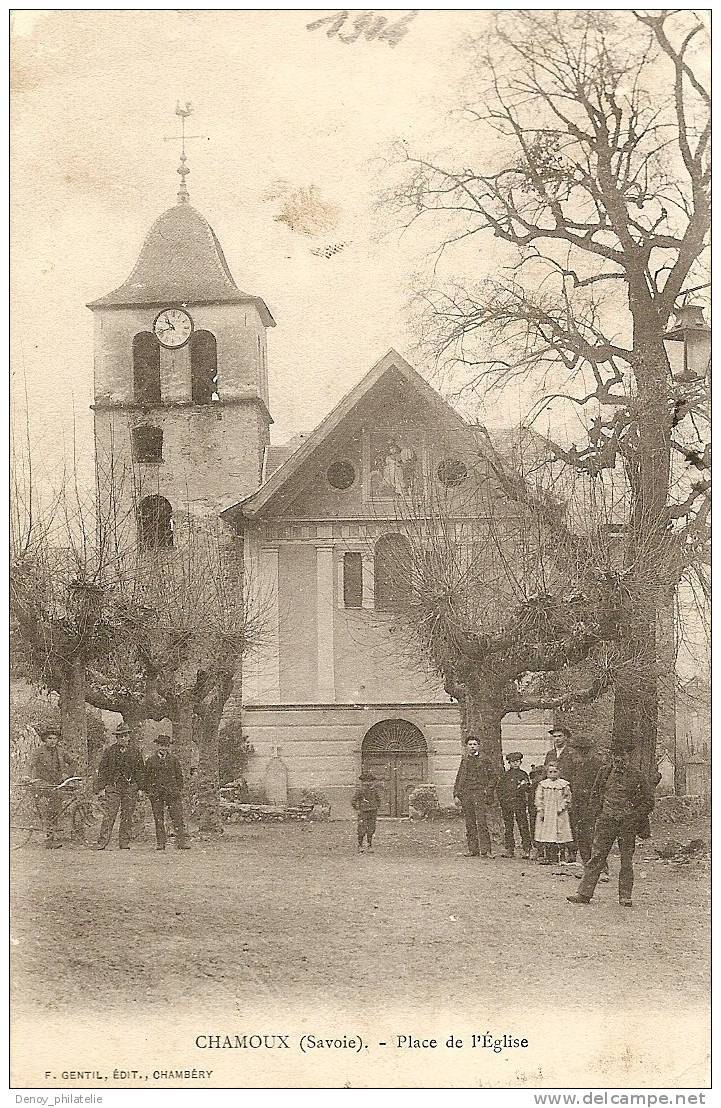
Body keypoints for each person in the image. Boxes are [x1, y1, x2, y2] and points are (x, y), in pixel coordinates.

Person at [568, 744, 656, 908]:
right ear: (611, 757)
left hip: (627, 824)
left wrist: (634, 817)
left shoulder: (637, 775)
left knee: (626, 860)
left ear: (628, 757)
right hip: (606, 821)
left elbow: (649, 801)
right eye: (615, 755)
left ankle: (625, 896)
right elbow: (595, 795)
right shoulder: (604, 772)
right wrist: (594, 817)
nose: (618, 759)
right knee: (596, 858)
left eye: (622, 755)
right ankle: (584, 894)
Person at [93, 722, 146, 850]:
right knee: (109, 815)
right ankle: (102, 842)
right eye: (120, 736)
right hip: (113, 787)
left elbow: (140, 771)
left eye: (125, 736)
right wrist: (100, 788)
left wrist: (140, 788)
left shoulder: (136, 752)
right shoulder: (109, 751)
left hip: (130, 787)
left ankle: (124, 842)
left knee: (127, 815)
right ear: (116, 738)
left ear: (129, 737)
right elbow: (102, 770)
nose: (123, 738)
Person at [30, 725, 77, 849]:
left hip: (56, 783)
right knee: (53, 804)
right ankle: (49, 838)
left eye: (55, 738)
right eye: (49, 738)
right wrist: (27, 777)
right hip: (42, 783)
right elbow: (30, 765)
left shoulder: (61, 751)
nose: (52, 741)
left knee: (57, 805)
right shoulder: (39, 751)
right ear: (45, 739)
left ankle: (52, 833)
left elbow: (73, 762)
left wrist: (67, 774)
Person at [144, 735, 191, 851]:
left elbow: (179, 777)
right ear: (157, 746)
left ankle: (181, 842)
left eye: (165, 746)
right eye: (161, 745)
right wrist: (150, 792)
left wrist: (177, 790)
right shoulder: (150, 760)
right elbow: (146, 778)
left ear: (168, 747)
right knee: (158, 818)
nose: (163, 748)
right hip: (157, 794)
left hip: (172, 793)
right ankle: (161, 842)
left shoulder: (173, 760)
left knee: (177, 817)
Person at [453, 735, 497, 858]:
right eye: (470, 744)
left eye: (474, 744)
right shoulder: (465, 761)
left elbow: (493, 777)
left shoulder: (485, 760)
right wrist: (456, 794)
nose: (472, 746)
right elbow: (459, 778)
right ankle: (473, 849)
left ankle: (486, 851)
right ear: (466, 747)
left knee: (481, 822)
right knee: (470, 822)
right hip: (467, 794)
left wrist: (487, 790)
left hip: (479, 794)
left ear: (478, 746)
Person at [567, 735, 603, 865]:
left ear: (582, 751)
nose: (571, 754)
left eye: (573, 751)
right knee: (581, 838)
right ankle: (587, 866)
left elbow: (601, 788)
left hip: (592, 809)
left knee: (593, 839)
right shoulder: (577, 766)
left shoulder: (598, 766)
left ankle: (601, 868)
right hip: (578, 808)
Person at [534, 762, 573, 864]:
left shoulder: (563, 784)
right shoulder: (543, 784)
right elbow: (538, 798)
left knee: (560, 832)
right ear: (547, 773)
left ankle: (561, 855)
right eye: (550, 772)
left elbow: (567, 797)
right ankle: (549, 856)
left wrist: (562, 807)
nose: (553, 774)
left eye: (555, 771)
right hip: (547, 812)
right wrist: (541, 809)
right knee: (547, 833)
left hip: (559, 812)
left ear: (559, 772)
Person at [497, 752, 531, 859]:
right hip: (507, 804)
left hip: (519, 803)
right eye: (513, 762)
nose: (515, 764)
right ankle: (509, 849)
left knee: (523, 825)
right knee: (509, 826)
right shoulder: (505, 775)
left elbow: (528, 789)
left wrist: (524, 786)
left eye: (517, 762)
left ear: (520, 762)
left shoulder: (523, 774)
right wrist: (503, 801)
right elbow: (500, 789)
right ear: (509, 763)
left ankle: (527, 849)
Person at [351, 770, 381, 853]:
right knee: (362, 829)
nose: (368, 784)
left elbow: (378, 799)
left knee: (371, 829)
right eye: (366, 782)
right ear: (363, 782)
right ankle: (360, 845)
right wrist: (358, 808)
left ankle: (369, 845)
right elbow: (353, 801)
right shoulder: (360, 790)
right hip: (363, 812)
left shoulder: (374, 790)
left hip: (372, 812)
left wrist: (375, 806)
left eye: (370, 781)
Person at [528, 763, 546, 856]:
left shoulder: (543, 784)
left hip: (542, 809)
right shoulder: (533, 786)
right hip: (534, 808)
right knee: (534, 827)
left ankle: (542, 849)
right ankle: (538, 849)